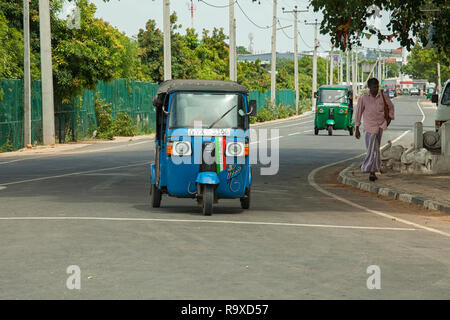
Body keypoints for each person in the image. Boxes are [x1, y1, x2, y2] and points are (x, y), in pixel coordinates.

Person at [355, 78, 395, 181]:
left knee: (376, 149)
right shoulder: (363, 98)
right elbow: (358, 113)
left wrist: (389, 118)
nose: (375, 89)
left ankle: (372, 170)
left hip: (380, 126)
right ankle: (369, 169)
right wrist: (357, 128)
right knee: (371, 149)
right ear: (369, 87)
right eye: (373, 87)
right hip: (369, 127)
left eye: (377, 87)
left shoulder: (382, 96)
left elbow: (391, 106)